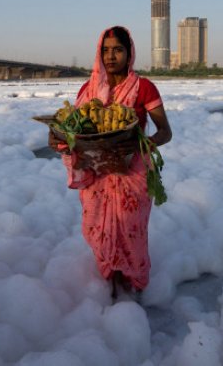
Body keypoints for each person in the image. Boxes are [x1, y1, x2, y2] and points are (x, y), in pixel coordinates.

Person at [49, 25, 172, 299]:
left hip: (133, 172)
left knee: (131, 232)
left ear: (129, 54)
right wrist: (60, 140)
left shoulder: (144, 88)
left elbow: (165, 132)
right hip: (97, 174)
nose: (111, 56)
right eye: (105, 50)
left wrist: (141, 145)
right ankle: (109, 278)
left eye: (118, 50)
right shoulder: (88, 89)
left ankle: (135, 286)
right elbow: (75, 131)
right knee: (97, 229)